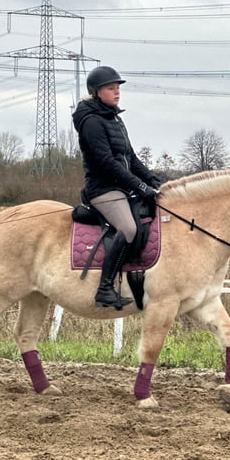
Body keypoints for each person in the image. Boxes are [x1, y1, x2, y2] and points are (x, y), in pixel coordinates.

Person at [72, 66, 162, 309]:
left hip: (121, 188)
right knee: (129, 229)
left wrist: (152, 180)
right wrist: (138, 185)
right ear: (96, 92)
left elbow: (130, 158)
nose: (117, 93)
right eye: (111, 88)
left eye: (118, 88)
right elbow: (106, 162)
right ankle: (104, 289)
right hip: (102, 190)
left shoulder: (115, 119)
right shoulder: (91, 122)